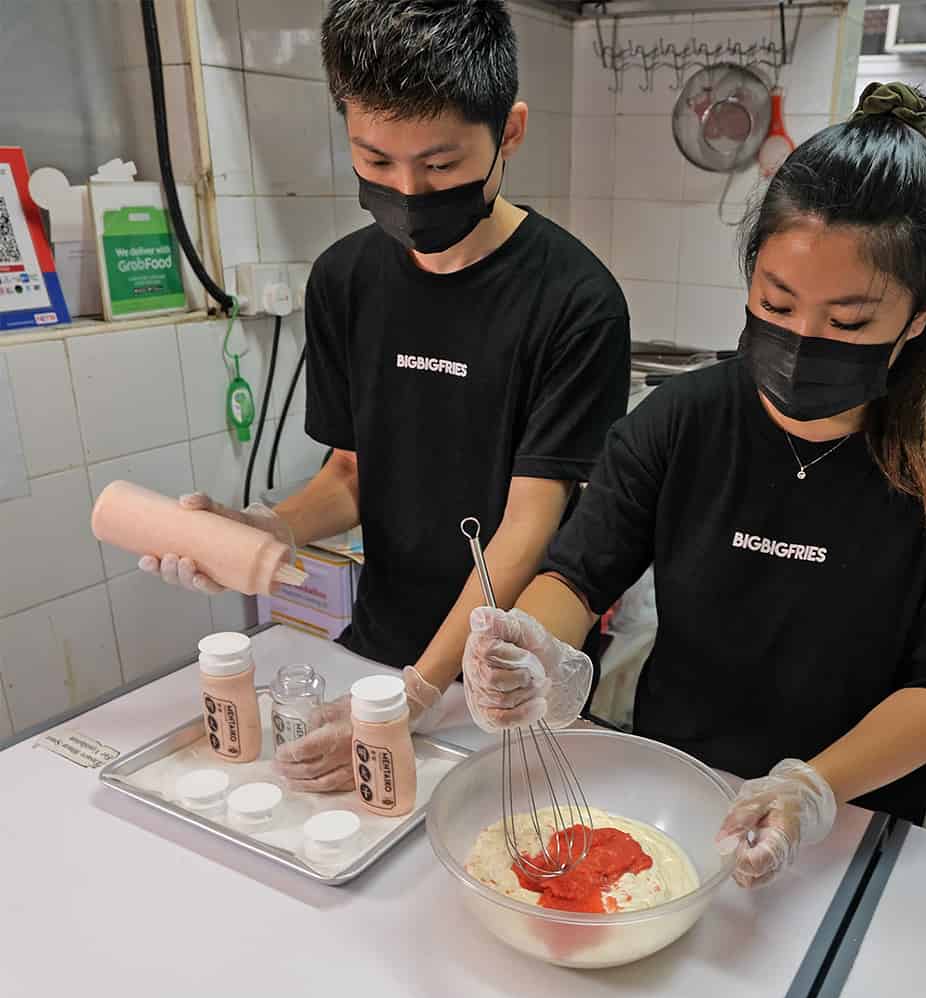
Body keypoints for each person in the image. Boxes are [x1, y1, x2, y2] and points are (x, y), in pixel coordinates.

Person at [461, 83, 926, 890]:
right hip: (668, 801)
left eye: (850, 323)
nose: (802, 340)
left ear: (922, 315)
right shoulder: (682, 420)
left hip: (851, 819)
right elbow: (575, 577)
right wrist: (537, 651)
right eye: (777, 301)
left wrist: (810, 791)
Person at [139, 0, 630, 790]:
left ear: (510, 131)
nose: (407, 191)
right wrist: (264, 528)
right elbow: (349, 477)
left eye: (439, 166)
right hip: (376, 649)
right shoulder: (345, 280)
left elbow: (528, 523)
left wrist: (427, 689)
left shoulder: (575, 301)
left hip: (505, 683)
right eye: (375, 161)